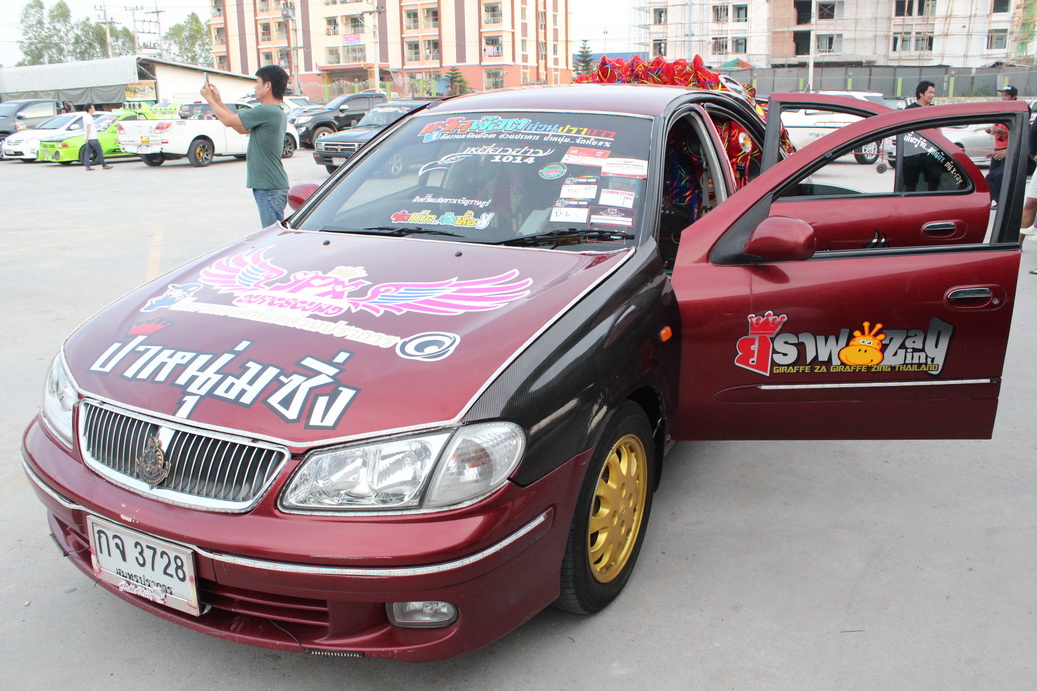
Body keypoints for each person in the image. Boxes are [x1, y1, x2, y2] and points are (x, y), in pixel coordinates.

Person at [200, 66, 289, 227]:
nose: (255, 87)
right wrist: (218, 100)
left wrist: (209, 99)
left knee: (272, 236)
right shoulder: (273, 112)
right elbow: (240, 127)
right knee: (272, 234)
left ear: (268, 86)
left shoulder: (266, 110)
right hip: (270, 187)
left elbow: (228, 121)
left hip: (269, 187)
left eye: (258, 82)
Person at [901, 81, 939, 191]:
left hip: (930, 153)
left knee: (933, 182)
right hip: (912, 154)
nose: (932, 95)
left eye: (933, 92)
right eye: (930, 92)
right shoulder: (909, 110)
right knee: (910, 184)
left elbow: (938, 129)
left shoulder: (934, 110)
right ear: (921, 93)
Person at [984, 85, 1018, 204]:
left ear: (1014, 97)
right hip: (998, 147)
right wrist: (990, 130)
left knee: (1000, 177)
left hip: (1008, 148)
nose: (1003, 98)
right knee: (991, 176)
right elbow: (996, 129)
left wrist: (1002, 131)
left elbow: (1019, 132)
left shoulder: (1016, 111)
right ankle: (995, 200)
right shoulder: (1002, 111)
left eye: (1006, 95)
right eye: (1002, 95)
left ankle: (1002, 202)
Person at [83, 104, 112, 171]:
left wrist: (87, 137)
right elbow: (88, 127)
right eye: (93, 108)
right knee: (99, 151)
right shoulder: (88, 117)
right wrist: (87, 136)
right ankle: (104, 165)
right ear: (89, 109)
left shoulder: (86, 116)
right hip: (92, 137)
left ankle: (87, 166)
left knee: (87, 152)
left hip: (90, 138)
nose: (94, 109)